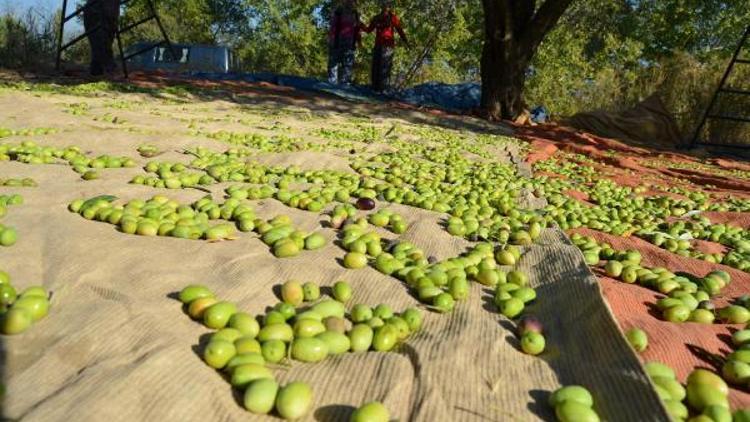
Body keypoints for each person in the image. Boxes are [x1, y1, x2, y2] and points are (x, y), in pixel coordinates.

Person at [365, 0, 409, 92]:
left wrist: (406, 41)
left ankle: (383, 89)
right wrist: (360, 25)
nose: (386, 6)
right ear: (381, 6)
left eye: (388, 5)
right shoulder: (376, 17)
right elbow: (369, 30)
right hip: (378, 45)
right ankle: (374, 88)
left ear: (390, 7)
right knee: (376, 66)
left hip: (388, 46)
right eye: (384, 4)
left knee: (385, 67)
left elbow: (399, 30)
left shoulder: (393, 17)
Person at [328, 0, 364, 85]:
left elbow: (357, 29)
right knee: (333, 62)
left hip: (350, 42)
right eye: (348, 1)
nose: (350, 2)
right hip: (338, 40)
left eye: (352, 1)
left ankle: (345, 84)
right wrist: (331, 39)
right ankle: (332, 83)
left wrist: (359, 42)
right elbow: (333, 26)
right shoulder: (339, 11)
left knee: (348, 63)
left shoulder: (355, 14)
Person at [83, 0, 121, 76]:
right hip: (100, 11)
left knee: (104, 39)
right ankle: (101, 65)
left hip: (104, 12)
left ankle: (103, 65)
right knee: (99, 39)